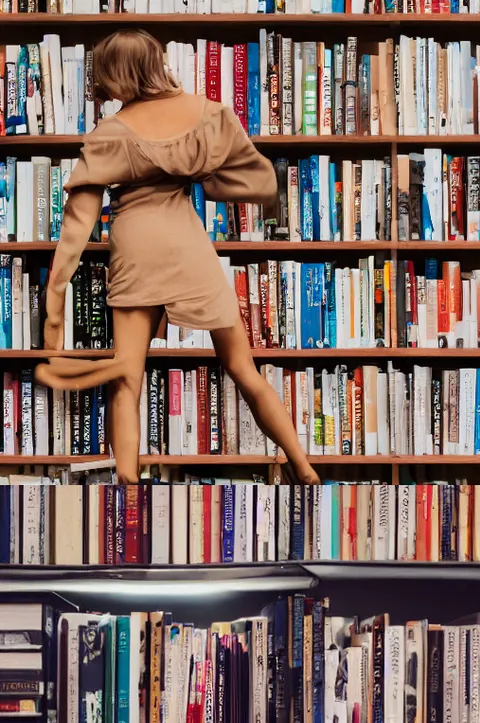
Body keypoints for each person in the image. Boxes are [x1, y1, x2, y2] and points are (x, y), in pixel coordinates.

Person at [38, 30, 319, 486]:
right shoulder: (208, 114)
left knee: (127, 380)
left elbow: (76, 226)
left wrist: (55, 298)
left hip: (135, 248)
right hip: (188, 242)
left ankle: (127, 487)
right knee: (243, 368)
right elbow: (263, 184)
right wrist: (207, 181)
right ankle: (303, 467)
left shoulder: (108, 134)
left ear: (115, 73)